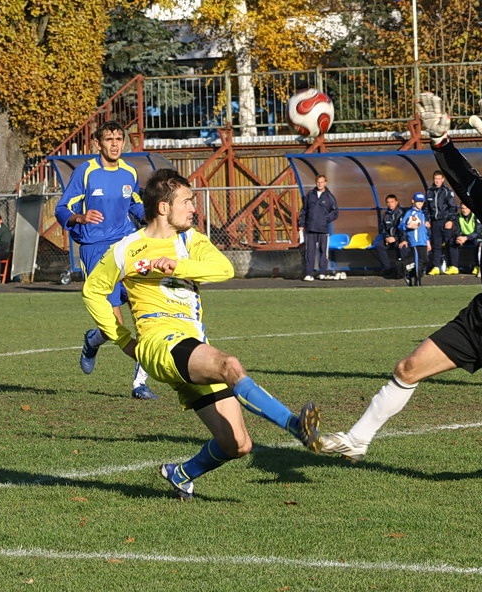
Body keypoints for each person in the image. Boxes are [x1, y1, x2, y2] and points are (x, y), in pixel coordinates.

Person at [320, 94, 482, 481]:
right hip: (481, 315)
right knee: (408, 367)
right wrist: (441, 141)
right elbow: (465, 181)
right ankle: (358, 438)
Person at [81, 168, 321, 500]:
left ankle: (181, 474)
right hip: (159, 343)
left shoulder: (190, 240)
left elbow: (225, 269)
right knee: (229, 366)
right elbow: (93, 291)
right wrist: (122, 339)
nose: (194, 208)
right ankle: (297, 426)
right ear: (164, 207)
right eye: (187, 201)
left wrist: (177, 266)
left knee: (238, 444)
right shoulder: (127, 249)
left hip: (192, 345)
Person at [55, 120, 156, 400]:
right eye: (109, 139)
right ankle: (93, 341)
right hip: (94, 247)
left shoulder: (128, 171)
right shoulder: (86, 172)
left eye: (119, 139)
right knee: (114, 323)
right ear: (97, 143)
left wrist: (154, 215)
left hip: (127, 243)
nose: (115, 144)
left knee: (144, 307)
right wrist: (79, 217)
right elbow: (62, 208)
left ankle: (140, 383)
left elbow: (134, 202)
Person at [298, 174, 339, 281]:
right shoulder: (310, 195)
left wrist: (325, 219)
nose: (320, 184)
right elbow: (304, 211)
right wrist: (301, 224)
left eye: (322, 182)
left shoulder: (330, 196)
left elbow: (335, 212)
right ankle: (309, 273)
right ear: (316, 183)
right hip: (310, 228)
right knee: (309, 252)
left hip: (323, 229)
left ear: (325, 183)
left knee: (323, 252)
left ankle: (322, 273)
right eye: (318, 182)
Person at [423, 170, 459, 275]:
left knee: (450, 243)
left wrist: (451, 220)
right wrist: (426, 220)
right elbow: (426, 209)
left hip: (445, 221)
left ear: (443, 179)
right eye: (435, 179)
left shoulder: (447, 191)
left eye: (439, 179)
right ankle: (436, 266)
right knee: (436, 244)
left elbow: (453, 207)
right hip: (435, 222)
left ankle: (453, 266)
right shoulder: (429, 192)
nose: (437, 181)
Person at [399, 192, 430, 287]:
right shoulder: (410, 213)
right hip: (415, 241)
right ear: (413, 201)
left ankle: (409, 275)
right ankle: (418, 282)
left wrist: (427, 241)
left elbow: (424, 230)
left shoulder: (423, 214)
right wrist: (408, 226)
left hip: (423, 241)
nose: (420, 204)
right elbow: (401, 226)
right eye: (418, 202)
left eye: (421, 202)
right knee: (418, 261)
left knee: (425, 260)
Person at [377, 194, 405, 278]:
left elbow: (403, 229)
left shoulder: (402, 213)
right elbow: (383, 229)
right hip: (390, 239)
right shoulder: (386, 215)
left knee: (403, 247)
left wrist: (396, 238)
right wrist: (386, 237)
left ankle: (403, 270)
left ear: (396, 202)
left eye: (392, 202)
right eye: (388, 202)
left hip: (401, 239)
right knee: (380, 245)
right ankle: (387, 268)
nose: (390, 204)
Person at [454, 203, 482, 275]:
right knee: (452, 241)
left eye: (465, 208)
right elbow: (457, 230)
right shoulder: (458, 217)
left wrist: (466, 238)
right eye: (462, 208)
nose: (464, 210)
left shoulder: (476, 216)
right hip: (464, 237)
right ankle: (454, 266)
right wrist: (459, 237)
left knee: (478, 243)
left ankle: (477, 266)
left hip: (476, 237)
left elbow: (478, 232)